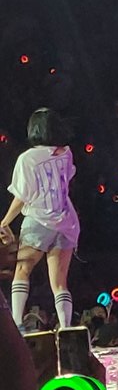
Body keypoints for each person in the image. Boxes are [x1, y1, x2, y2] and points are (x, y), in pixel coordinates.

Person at [0, 110, 80, 332]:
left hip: (38, 220)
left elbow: (22, 196)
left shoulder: (28, 158)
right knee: (60, 282)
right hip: (66, 222)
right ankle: (66, 329)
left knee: (22, 270)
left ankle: (17, 323)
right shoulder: (66, 154)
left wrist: (5, 221)